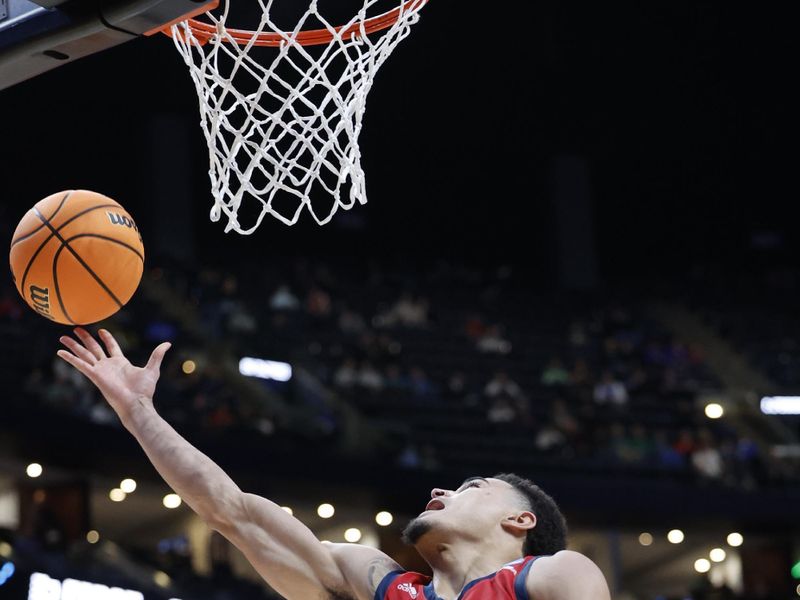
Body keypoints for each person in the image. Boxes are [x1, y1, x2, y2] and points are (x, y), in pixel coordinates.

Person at [57, 328, 611, 600]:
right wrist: (138, 413)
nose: (443, 489)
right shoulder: (379, 583)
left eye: (473, 487)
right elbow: (234, 513)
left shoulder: (556, 575)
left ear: (520, 521)